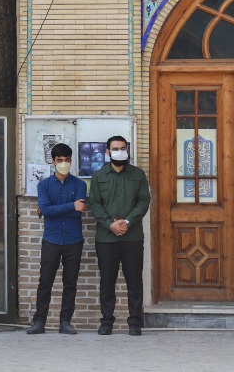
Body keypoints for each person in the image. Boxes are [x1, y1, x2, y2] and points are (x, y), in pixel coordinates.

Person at [88, 135, 151, 336]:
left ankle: (135, 323)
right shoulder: (99, 176)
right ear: (108, 152)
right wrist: (110, 224)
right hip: (106, 238)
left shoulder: (138, 174)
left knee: (134, 281)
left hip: (132, 236)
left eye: (123, 148)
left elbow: (143, 201)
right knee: (107, 281)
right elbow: (95, 204)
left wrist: (127, 222)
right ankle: (107, 322)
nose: (120, 151)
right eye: (115, 149)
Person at [26, 142, 87, 335]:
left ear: (71, 161)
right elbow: (46, 210)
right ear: (53, 162)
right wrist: (71, 206)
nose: (63, 163)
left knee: (70, 282)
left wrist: (57, 210)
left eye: (67, 160)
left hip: (73, 240)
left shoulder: (80, 184)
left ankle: (65, 322)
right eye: (59, 160)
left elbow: (79, 213)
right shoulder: (44, 185)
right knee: (45, 281)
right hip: (51, 239)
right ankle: (39, 321)